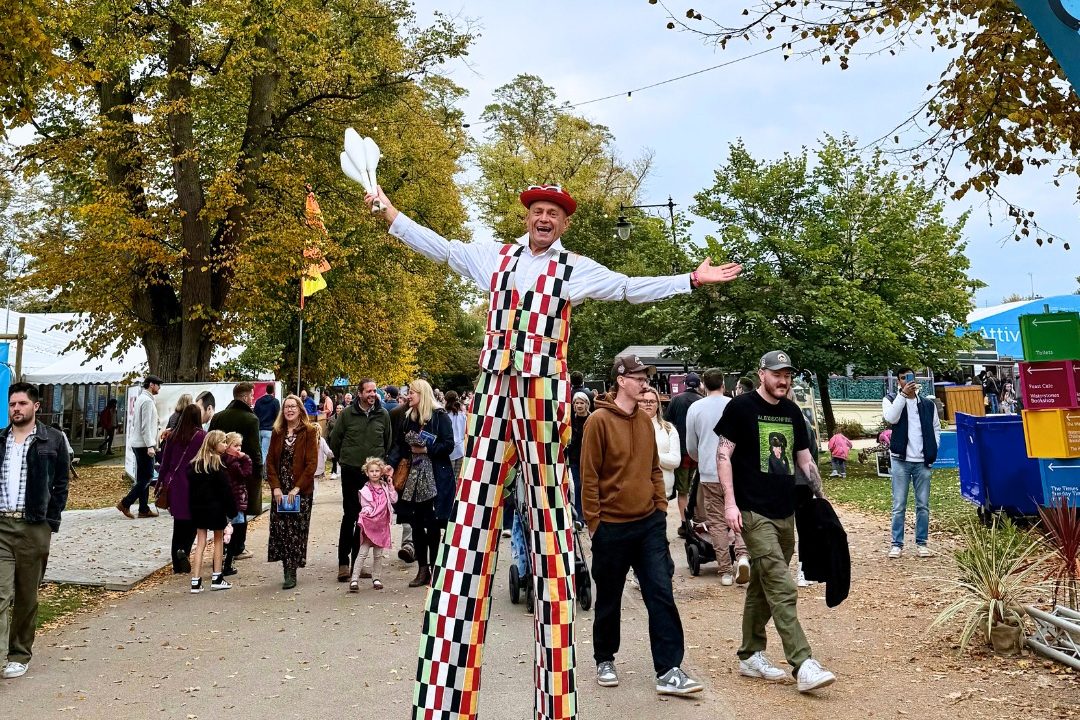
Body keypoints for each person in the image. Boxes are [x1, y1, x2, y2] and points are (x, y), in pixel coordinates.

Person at [356, 177, 740, 720]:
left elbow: (629, 286)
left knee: (553, 531)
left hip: (543, 401)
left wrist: (690, 280)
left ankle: (556, 702)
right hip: (493, 396)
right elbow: (440, 247)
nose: (544, 218)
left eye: (553, 213)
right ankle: (443, 700)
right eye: (537, 210)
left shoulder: (574, 268)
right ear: (527, 216)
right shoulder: (494, 257)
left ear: (563, 223)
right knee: (468, 528)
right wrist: (390, 211)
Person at [714, 350, 836, 693]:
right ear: (762, 373)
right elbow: (723, 454)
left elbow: (804, 459)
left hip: (786, 512)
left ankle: (750, 654)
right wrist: (730, 503)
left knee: (762, 585)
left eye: (788, 375)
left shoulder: (791, 411)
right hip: (754, 512)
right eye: (777, 374)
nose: (783, 380)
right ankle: (803, 663)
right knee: (782, 585)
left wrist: (820, 501)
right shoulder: (740, 408)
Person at [581, 353, 703, 697]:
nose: (644, 383)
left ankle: (669, 669)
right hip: (611, 528)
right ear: (621, 380)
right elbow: (588, 478)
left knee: (661, 593)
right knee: (609, 596)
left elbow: (653, 468)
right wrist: (595, 524)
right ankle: (605, 657)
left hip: (648, 524)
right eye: (638, 378)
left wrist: (659, 510)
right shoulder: (598, 422)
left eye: (645, 378)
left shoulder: (645, 423)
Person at [0, 382, 70, 679]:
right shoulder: (0, 440)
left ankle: (19, 652)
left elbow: (62, 485)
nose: (16, 409)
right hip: (1, 525)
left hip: (33, 526)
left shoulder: (52, 440)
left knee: (27, 596)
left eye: (22, 404)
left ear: (36, 406)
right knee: (0, 593)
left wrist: (50, 522)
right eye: (12, 404)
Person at [685, 368, 749, 585]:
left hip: (709, 471)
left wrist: (701, 458)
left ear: (703, 385)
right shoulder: (735, 404)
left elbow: (691, 445)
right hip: (735, 470)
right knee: (737, 514)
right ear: (723, 383)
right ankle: (742, 555)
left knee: (717, 522)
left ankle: (724, 570)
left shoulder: (695, 408)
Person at [389, 379, 455, 588]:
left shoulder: (440, 417)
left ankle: (435, 569)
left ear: (423, 394)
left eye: (412, 393)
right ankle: (422, 568)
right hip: (412, 478)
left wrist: (427, 450)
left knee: (433, 525)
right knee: (415, 523)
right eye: (408, 392)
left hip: (435, 478)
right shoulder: (408, 417)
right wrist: (390, 465)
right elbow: (399, 445)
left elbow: (449, 445)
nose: (409, 396)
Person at [328, 379, 393, 582]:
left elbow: (387, 442)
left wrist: (379, 467)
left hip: (372, 475)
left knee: (366, 519)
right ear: (359, 393)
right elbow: (335, 439)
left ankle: (358, 562)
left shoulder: (383, 415)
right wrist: (345, 459)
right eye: (368, 391)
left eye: (374, 391)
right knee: (350, 515)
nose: (372, 394)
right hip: (351, 471)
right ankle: (343, 564)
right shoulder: (347, 414)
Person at [883, 366, 941, 559]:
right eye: (902, 378)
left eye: (909, 378)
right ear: (898, 381)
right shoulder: (891, 400)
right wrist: (902, 396)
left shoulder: (927, 404)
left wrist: (933, 448)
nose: (906, 381)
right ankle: (896, 544)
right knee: (899, 504)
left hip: (922, 461)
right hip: (900, 460)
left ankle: (922, 543)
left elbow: (936, 428)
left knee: (923, 505)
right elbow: (891, 418)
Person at [266, 394, 319, 589]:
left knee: (295, 530)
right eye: (286, 407)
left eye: (293, 407)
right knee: (282, 530)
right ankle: (286, 568)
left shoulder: (309, 431)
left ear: (300, 410)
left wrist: (297, 488)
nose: (289, 410)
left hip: (300, 490)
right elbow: (270, 462)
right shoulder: (277, 432)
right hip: (281, 489)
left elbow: (311, 463)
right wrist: (276, 487)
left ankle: (292, 570)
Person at [208, 382, 264, 554]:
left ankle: (224, 546)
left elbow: (209, 442)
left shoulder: (218, 416)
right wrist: (258, 472)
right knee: (241, 509)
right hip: (242, 472)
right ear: (246, 397)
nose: (253, 399)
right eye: (252, 396)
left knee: (224, 509)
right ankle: (238, 547)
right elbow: (255, 449)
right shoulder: (251, 419)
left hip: (219, 469)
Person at [155, 404, 206, 574]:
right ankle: (184, 550)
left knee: (178, 525)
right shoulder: (202, 437)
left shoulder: (172, 436)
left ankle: (177, 564)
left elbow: (165, 462)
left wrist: (159, 482)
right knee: (192, 523)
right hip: (194, 484)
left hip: (175, 484)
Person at [187, 430, 237, 593]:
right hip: (215, 508)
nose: (225, 445)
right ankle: (217, 576)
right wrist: (232, 510)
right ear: (215, 444)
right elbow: (226, 490)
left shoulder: (194, 465)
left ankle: (195, 581)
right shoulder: (218, 466)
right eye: (223, 442)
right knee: (218, 540)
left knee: (200, 541)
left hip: (198, 508)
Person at [117, 374, 163, 519]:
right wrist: (150, 445)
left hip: (139, 443)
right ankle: (125, 502)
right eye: (158, 385)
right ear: (151, 385)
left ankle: (143, 508)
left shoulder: (142, 399)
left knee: (143, 476)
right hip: (144, 444)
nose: (159, 388)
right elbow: (145, 427)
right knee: (148, 476)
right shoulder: (147, 401)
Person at [350, 457, 398, 592]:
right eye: (372, 471)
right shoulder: (365, 490)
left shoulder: (384, 487)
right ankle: (354, 579)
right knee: (363, 552)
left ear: (381, 472)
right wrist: (366, 512)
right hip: (370, 524)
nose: (375, 473)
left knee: (378, 554)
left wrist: (390, 485)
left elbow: (394, 499)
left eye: (377, 471)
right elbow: (365, 505)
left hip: (382, 526)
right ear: (367, 473)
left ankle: (376, 578)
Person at [665, 372, 703, 534]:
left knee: (683, 489)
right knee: (697, 488)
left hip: (681, 451)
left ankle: (684, 523)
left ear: (685, 383)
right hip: (700, 452)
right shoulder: (702, 401)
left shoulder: (676, 400)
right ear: (699, 384)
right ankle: (697, 521)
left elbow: (667, 423)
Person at [220, 432, 252, 577]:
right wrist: (245, 458)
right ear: (227, 447)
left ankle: (223, 558)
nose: (239, 448)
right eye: (235, 445)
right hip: (236, 502)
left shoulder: (222, 460)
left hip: (226, 501)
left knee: (226, 533)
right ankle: (228, 563)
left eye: (240, 445)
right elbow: (245, 474)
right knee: (234, 533)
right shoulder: (234, 463)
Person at [566, 392, 591, 526]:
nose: (579, 405)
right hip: (575, 458)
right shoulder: (571, 420)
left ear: (587, 404)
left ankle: (589, 514)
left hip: (589, 458)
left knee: (589, 486)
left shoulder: (592, 419)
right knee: (578, 485)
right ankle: (580, 517)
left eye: (582, 403)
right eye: (576, 403)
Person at [254, 383, 280, 469]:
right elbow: (278, 417)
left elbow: (255, 415)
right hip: (269, 430)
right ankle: (260, 473)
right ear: (273, 391)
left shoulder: (258, 401)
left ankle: (261, 472)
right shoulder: (275, 402)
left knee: (259, 452)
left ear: (266, 390)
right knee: (265, 453)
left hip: (259, 429)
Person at [444, 391, 467, 480]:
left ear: (446, 401)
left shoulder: (445, 416)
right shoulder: (463, 415)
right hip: (460, 449)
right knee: (456, 479)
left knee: (448, 479)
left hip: (449, 450)